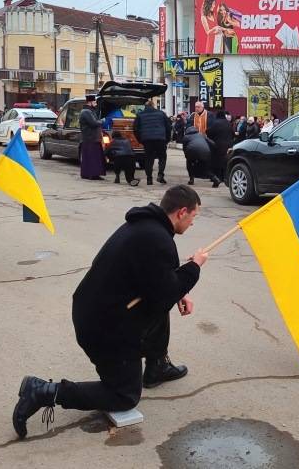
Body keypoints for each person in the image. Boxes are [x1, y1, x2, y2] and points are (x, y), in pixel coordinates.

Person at [12, 186, 209, 438]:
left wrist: (180, 290)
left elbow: (154, 280)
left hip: (95, 311)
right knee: (124, 396)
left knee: (160, 304)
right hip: (105, 328)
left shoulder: (146, 227)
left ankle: (157, 365)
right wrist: (194, 267)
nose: (193, 223)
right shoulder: (157, 239)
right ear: (182, 212)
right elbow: (162, 295)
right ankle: (43, 391)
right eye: (194, 217)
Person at [134, 99, 170, 186]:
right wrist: (167, 139)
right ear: (153, 105)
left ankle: (149, 179)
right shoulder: (161, 113)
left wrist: (140, 140)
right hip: (160, 139)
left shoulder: (140, 115)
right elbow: (168, 127)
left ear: (145, 107)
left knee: (149, 159)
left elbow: (136, 129)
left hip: (147, 140)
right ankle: (160, 175)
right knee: (162, 157)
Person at [79, 95, 105, 180]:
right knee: (92, 157)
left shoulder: (89, 111)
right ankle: (92, 174)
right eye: (94, 102)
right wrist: (102, 121)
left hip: (91, 138)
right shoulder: (86, 112)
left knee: (91, 157)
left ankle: (89, 174)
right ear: (90, 102)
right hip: (90, 138)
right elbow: (94, 123)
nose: (96, 104)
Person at [205, 109, 234, 185]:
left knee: (216, 162)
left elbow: (208, 132)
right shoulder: (228, 123)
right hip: (228, 146)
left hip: (217, 145)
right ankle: (224, 177)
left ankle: (217, 177)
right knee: (225, 161)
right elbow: (233, 133)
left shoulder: (215, 123)